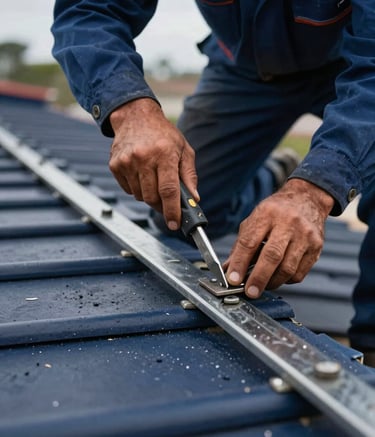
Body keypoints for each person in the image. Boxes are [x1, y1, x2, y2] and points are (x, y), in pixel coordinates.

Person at [51, 1, 375, 363]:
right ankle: (273, 176)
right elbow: (89, 9)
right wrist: (131, 110)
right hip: (244, 71)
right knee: (176, 207)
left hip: (357, 69)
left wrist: (314, 191)